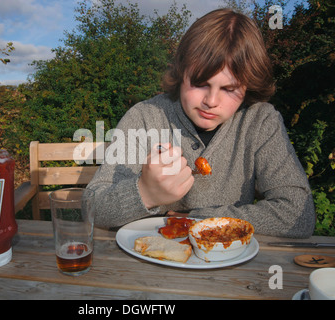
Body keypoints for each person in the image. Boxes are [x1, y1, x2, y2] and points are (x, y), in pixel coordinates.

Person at [86, 8, 316, 238]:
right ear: (181, 71)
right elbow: (92, 208)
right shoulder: (145, 117)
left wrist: (196, 220)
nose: (211, 101)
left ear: (248, 87)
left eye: (229, 89)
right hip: (149, 260)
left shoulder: (260, 121)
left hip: (229, 268)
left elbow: (298, 215)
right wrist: (145, 193)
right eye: (200, 83)